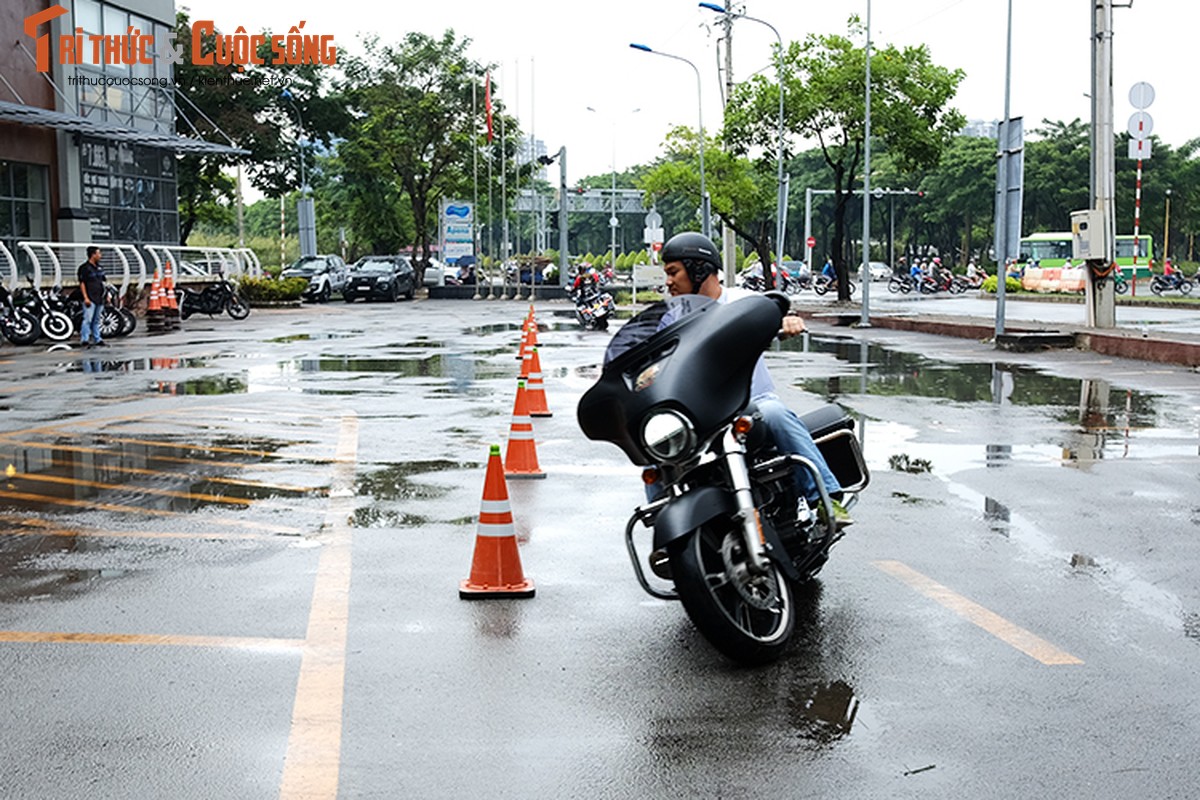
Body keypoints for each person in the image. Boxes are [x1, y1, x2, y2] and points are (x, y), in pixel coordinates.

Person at [659, 231, 852, 528]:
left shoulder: (742, 301)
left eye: (673, 272)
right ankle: (666, 522)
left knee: (776, 413)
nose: (668, 281)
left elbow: (775, 313)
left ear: (698, 269)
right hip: (702, 414)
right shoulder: (672, 318)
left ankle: (826, 499)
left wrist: (787, 320)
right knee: (657, 447)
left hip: (753, 402)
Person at [77, 245, 107, 348]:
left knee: (97, 320)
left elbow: (103, 282)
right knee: (87, 319)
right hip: (90, 297)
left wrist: (107, 295)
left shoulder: (100, 268)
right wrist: (85, 297)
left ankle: (97, 339)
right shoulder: (84, 268)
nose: (100, 255)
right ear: (93, 254)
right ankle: (84, 339)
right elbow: (82, 283)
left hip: (100, 297)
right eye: (98, 253)